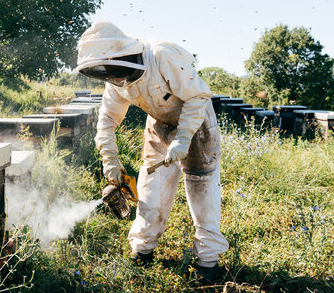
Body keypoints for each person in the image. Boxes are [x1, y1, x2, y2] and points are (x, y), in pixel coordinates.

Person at [76, 20, 229, 281]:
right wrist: (109, 158)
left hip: (197, 121)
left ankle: (208, 261)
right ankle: (142, 249)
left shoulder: (162, 56)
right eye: (103, 71)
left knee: (202, 191)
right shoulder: (117, 80)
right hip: (158, 124)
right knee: (150, 187)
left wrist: (182, 139)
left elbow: (197, 96)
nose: (111, 76)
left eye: (110, 68)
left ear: (120, 55)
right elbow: (107, 120)